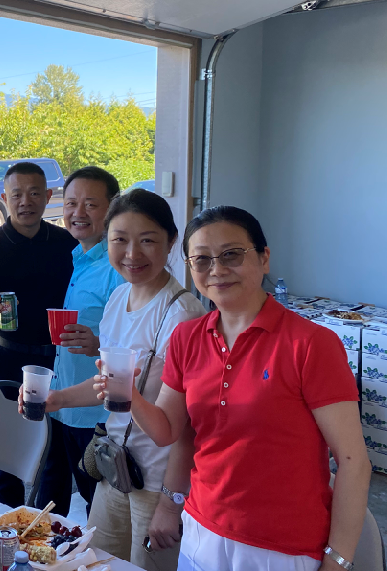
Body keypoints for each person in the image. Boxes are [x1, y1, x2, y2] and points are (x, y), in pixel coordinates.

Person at [116, 206, 370, 571]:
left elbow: (352, 461)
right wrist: (128, 393)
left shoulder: (311, 344)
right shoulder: (187, 337)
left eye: (232, 254)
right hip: (202, 532)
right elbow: (168, 430)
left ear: (264, 258)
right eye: (202, 260)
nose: (217, 270)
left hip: (282, 547)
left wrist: (338, 560)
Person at [28, 189, 206, 570]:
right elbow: (108, 386)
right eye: (120, 240)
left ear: (171, 242)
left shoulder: (182, 315)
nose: (132, 253)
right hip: (115, 469)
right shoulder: (118, 299)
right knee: (96, 562)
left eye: (148, 240)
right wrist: (56, 399)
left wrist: (171, 503)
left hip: (156, 483)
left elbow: (188, 425)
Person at [0, 161, 77, 507]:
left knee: (56, 452)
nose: (25, 201)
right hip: (9, 357)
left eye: (34, 193)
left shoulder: (67, 244)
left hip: (58, 358)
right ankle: (6, 523)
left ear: (48, 196)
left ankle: (53, 527)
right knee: (8, 449)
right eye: (17, 194)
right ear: (5, 198)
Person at [35, 166, 125, 518]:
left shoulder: (117, 268)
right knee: (65, 499)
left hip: (97, 415)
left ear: (112, 207)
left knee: (100, 508)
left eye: (90, 204)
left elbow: (137, 349)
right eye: (71, 203)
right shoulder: (80, 259)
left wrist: (97, 344)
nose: (78, 212)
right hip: (66, 406)